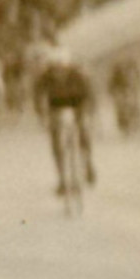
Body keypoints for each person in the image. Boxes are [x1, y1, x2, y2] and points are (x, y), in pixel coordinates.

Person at [34, 44, 97, 193]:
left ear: (68, 65)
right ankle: (62, 178)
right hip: (56, 107)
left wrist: (89, 112)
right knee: (55, 139)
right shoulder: (45, 76)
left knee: (84, 131)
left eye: (62, 68)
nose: (58, 71)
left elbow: (89, 94)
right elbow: (38, 94)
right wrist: (41, 114)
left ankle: (87, 162)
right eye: (55, 68)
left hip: (77, 105)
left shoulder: (78, 74)